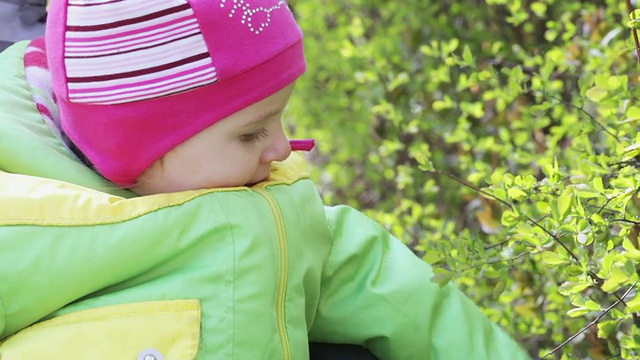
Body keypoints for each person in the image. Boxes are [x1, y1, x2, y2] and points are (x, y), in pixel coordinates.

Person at [0, 0, 531, 359]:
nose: (281, 149)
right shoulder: (25, 235)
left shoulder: (282, 211)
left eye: (280, 120)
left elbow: (414, 304)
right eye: (251, 133)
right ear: (133, 149)